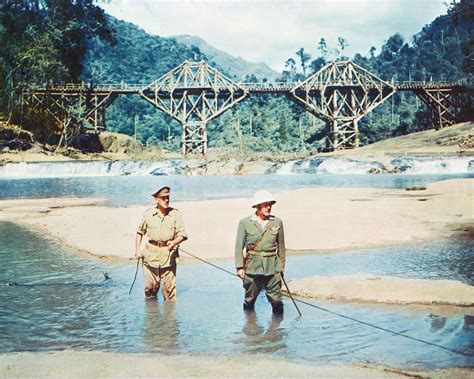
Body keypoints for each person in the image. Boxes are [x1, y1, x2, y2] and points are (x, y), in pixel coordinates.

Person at [234, 190, 286, 314]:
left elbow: (282, 248)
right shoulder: (245, 223)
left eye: (270, 204)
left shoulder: (277, 222)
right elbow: (238, 246)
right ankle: (250, 326)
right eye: (265, 204)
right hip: (252, 267)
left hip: (272, 267)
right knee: (250, 299)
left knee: (276, 300)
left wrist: (281, 268)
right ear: (257, 206)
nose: (268, 207)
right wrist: (240, 267)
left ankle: (277, 331)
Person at [135, 186, 187, 300]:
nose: (166, 200)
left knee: (170, 293)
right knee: (150, 289)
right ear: (156, 199)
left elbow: (182, 234)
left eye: (167, 197)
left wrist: (174, 242)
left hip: (168, 256)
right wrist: (137, 250)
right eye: (163, 198)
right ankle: (152, 315)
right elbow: (140, 232)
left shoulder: (175, 214)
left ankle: (170, 317)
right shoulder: (148, 214)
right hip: (150, 256)